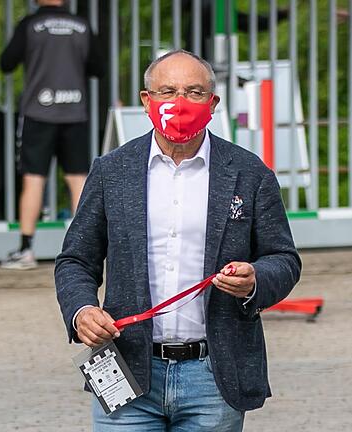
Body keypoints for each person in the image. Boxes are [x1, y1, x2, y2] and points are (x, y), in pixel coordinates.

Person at [55, 50, 301, 431]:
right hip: (128, 369)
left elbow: (283, 258)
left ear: (213, 103)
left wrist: (255, 279)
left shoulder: (249, 173)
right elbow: (76, 260)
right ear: (146, 100)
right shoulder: (112, 171)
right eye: (167, 91)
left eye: (194, 92)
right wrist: (81, 311)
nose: (179, 103)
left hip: (213, 376)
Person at [0, 0, 104, 270]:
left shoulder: (31, 25)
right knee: (78, 179)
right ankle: (87, 250)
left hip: (38, 113)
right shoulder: (81, 26)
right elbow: (98, 68)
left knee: (34, 179)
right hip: (74, 112)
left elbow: (6, 62)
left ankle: (25, 250)